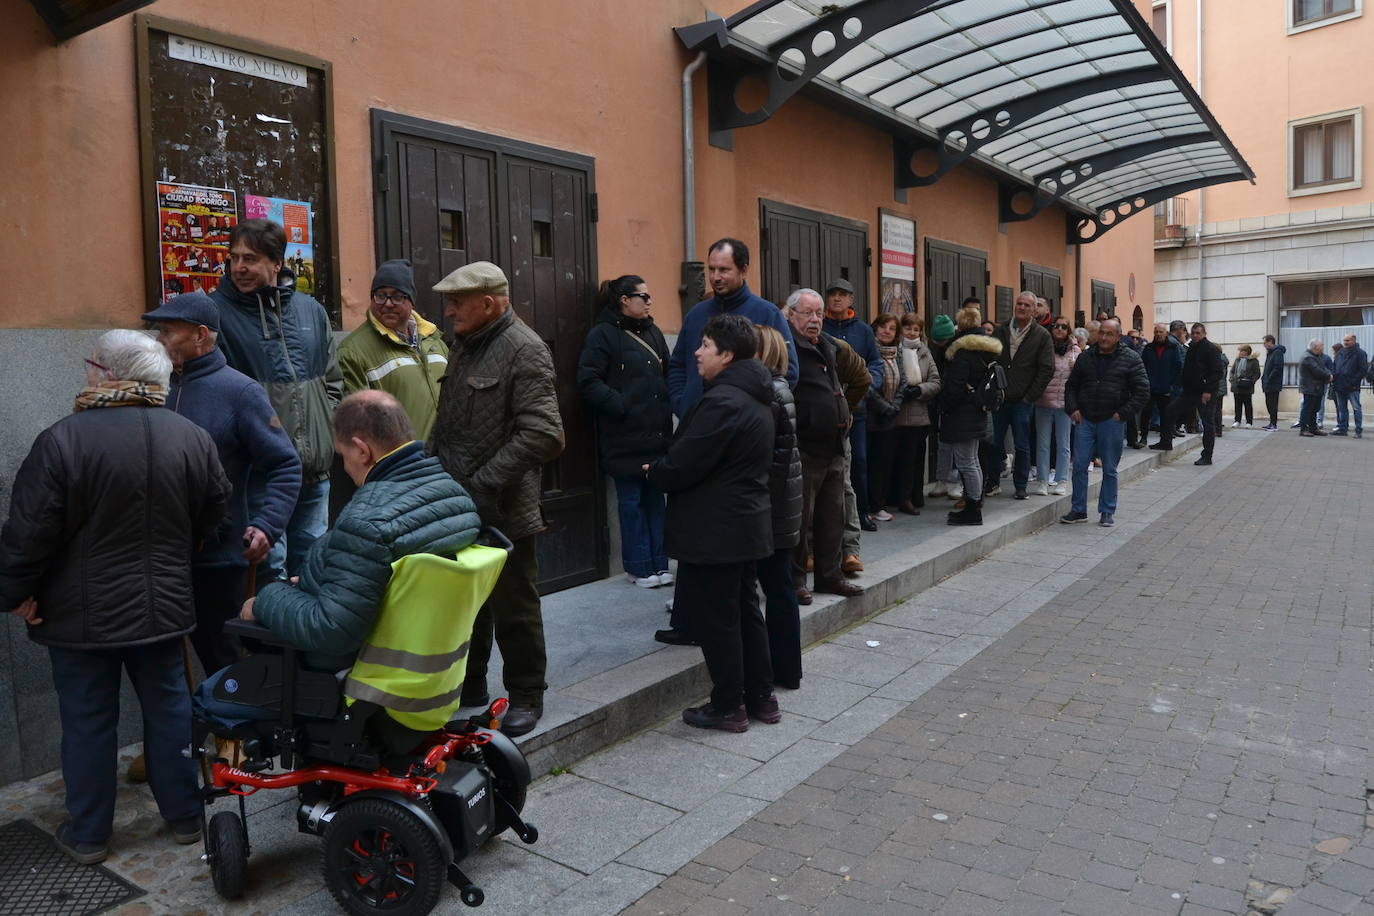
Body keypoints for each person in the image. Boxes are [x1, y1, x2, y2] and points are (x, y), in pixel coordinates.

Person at [0, 331, 229, 865]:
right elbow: (215, 510)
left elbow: (28, 534)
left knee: (87, 720)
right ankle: (184, 815)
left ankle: (88, 834)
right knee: (170, 708)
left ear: (108, 374)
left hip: (79, 616)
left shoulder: (62, 441)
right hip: (163, 606)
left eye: (90, 363)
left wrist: (16, 594)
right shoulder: (190, 436)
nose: (86, 372)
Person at [240, 392, 480, 670]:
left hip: (347, 669)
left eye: (342, 455)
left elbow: (331, 630)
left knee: (213, 695)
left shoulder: (365, 522)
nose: (343, 465)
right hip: (425, 663)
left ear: (362, 451)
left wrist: (265, 600)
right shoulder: (457, 499)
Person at [428, 261, 565, 737]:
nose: (447, 312)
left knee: (514, 606)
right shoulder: (466, 344)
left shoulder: (524, 349)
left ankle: (527, 695)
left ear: (488, 304)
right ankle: (470, 685)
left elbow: (545, 433)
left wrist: (484, 481)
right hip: (458, 502)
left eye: (456, 303)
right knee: (467, 602)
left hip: (504, 507)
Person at [142, 292, 302, 678]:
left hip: (219, 557)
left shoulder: (241, 392)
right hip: (158, 556)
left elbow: (285, 464)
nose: (158, 341)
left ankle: (237, 737)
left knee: (225, 660)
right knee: (165, 666)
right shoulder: (151, 387)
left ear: (200, 336)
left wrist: (266, 526)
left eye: (168, 331)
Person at [646, 314, 778, 733]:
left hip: (716, 528)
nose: (696, 353)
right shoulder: (752, 393)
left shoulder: (724, 400)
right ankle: (761, 697)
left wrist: (657, 471)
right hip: (742, 523)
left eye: (704, 345)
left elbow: (687, 462)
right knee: (743, 612)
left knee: (718, 620)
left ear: (727, 354)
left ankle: (727, 706)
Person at [211, 218, 343, 581]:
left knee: (312, 569)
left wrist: (325, 433)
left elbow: (333, 381)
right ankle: (267, 641)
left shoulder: (310, 312)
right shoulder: (216, 314)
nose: (239, 267)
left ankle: (302, 641)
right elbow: (215, 393)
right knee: (268, 572)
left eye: (250, 259)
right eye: (233, 258)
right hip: (259, 476)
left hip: (315, 474)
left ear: (276, 263)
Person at [577, 274, 672, 588]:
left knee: (656, 502)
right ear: (624, 300)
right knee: (631, 503)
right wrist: (622, 406)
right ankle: (638, 567)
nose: (649, 302)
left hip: (656, 435)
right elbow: (588, 381)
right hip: (624, 436)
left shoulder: (655, 333)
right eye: (643, 296)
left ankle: (660, 564)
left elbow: (670, 375)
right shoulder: (602, 335)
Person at [785, 289, 865, 604]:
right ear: (790, 314)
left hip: (834, 445)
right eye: (807, 313)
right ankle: (795, 581)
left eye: (818, 314)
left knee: (833, 516)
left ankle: (830, 576)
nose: (815, 320)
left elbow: (859, 378)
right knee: (800, 519)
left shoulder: (828, 346)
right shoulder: (787, 347)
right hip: (803, 447)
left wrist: (845, 413)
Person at [667, 237, 796, 418]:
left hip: (744, 427)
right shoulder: (696, 314)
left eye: (724, 270)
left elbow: (788, 371)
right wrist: (682, 403)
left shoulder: (768, 313)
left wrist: (754, 411)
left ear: (744, 270)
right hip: (696, 422)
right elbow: (678, 366)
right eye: (711, 269)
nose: (715, 277)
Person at [338, 259, 448, 441]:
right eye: (380, 295)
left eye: (397, 296)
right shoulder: (353, 351)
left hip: (444, 459)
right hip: (402, 464)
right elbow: (358, 425)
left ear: (411, 300)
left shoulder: (434, 341)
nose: (388, 303)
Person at [1060, 319, 1149, 527]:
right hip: (1086, 419)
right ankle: (1078, 509)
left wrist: (1122, 414)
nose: (1103, 338)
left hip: (1112, 420)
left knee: (1109, 468)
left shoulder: (1131, 358)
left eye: (1109, 334)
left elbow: (1142, 391)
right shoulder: (1086, 357)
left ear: (1118, 337)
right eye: (1101, 333)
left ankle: (1107, 510)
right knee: (1080, 465)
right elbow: (1071, 386)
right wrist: (1072, 409)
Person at [754, 325, 804, 690]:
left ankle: (781, 669)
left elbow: (773, 462)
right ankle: (788, 670)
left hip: (773, 510)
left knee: (777, 588)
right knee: (780, 587)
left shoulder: (770, 392)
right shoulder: (779, 389)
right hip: (783, 507)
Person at [822, 279, 882, 532]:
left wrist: (868, 387)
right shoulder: (819, 326)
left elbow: (876, 363)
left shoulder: (863, 330)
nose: (836, 298)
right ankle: (828, 517)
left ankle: (862, 512)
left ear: (851, 300)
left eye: (842, 295)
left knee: (858, 459)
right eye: (832, 294)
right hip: (824, 409)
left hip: (856, 408)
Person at [941, 307, 1003, 526]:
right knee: (973, 460)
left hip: (963, 413)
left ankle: (973, 509)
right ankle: (974, 505)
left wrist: (943, 404)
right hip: (977, 410)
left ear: (961, 326)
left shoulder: (963, 352)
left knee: (967, 462)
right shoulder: (987, 352)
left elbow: (955, 388)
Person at [991, 291, 1054, 500]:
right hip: (999, 398)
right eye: (1020, 304)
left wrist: (1030, 396)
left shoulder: (1041, 335)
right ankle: (992, 483)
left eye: (1028, 305)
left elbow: (1046, 369)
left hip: (1023, 400)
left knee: (1022, 444)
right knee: (994, 442)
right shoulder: (1001, 330)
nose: (1022, 308)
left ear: (1034, 310)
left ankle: (1020, 486)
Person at [891, 313, 941, 514]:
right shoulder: (894, 349)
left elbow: (936, 381)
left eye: (915, 329)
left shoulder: (924, 352)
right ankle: (896, 497)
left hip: (918, 415)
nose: (911, 332)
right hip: (896, 413)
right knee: (897, 459)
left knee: (915, 459)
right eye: (908, 328)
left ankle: (913, 496)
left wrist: (919, 390)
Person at [1161, 323, 1224, 465]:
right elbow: (1188, 369)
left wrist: (1208, 391)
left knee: (1208, 423)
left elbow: (1216, 372)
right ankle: (1166, 441)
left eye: (1198, 333)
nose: (1195, 335)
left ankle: (1207, 456)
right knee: (1171, 409)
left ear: (1204, 333)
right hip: (1190, 391)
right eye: (1193, 333)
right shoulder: (1192, 348)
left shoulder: (1211, 349)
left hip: (1205, 392)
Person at [1033, 316, 1078, 496]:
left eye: (1064, 327)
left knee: (1063, 444)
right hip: (1043, 401)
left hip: (1064, 404)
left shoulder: (1075, 351)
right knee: (1043, 444)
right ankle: (1043, 481)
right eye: (1056, 326)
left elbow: (1080, 378)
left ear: (1069, 330)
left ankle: (1062, 480)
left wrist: (1076, 367)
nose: (1059, 329)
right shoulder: (1044, 348)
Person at [865, 313, 905, 522]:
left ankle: (880, 504)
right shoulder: (869, 350)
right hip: (871, 416)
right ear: (875, 328)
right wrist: (883, 407)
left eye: (892, 328)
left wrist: (895, 406)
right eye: (883, 326)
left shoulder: (897, 353)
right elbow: (866, 384)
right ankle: (867, 506)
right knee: (868, 463)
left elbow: (904, 381)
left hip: (891, 417)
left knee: (884, 464)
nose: (887, 331)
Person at [926, 314, 959, 498]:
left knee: (957, 446)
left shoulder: (957, 351)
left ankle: (954, 482)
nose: (939, 343)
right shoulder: (936, 350)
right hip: (940, 402)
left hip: (955, 403)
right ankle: (941, 480)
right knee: (943, 443)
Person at [1138, 324, 1179, 451]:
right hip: (1149, 388)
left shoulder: (1173, 348)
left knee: (1166, 415)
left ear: (1166, 333)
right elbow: (1142, 366)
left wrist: (1171, 383)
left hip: (1166, 388)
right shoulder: (1149, 348)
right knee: (1146, 413)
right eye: (1156, 332)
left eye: (1161, 332)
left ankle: (1165, 441)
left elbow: (1177, 367)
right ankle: (1143, 438)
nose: (1158, 334)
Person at [1331, 333, 1368, 437]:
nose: (1345, 343)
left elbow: (1362, 370)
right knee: (1342, 409)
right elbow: (1334, 366)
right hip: (1339, 385)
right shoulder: (1340, 353)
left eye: (1347, 340)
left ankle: (1358, 430)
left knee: (1356, 408)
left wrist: (1353, 382)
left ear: (1354, 341)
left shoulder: (1361, 353)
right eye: (1344, 341)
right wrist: (1334, 378)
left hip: (1353, 387)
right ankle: (1343, 429)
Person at [1298, 339, 1333, 437]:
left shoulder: (1315, 356)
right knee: (1308, 409)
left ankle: (1313, 428)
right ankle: (1303, 429)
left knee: (1314, 409)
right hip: (1310, 387)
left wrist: (1329, 374)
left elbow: (1323, 368)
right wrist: (1328, 376)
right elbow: (1317, 370)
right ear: (1315, 347)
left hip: (1316, 387)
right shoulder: (1308, 357)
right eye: (1321, 345)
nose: (1323, 347)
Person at [1229, 345, 1261, 428]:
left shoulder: (1253, 361)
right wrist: (1232, 379)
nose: (1240, 353)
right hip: (1237, 385)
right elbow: (1232, 371)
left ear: (1247, 352)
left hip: (1247, 386)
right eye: (1240, 351)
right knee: (1237, 404)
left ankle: (1249, 422)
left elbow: (1257, 373)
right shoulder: (1237, 360)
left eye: (1242, 351)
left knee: (1248, 404)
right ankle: (1237, 420)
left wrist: (1251, 382)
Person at [1261, 334, 1286, 430]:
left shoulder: (1277, 352)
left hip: (1273, 383)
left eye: (1265, 343)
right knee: (1269, 404)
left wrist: (1269, 378)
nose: (1264, 345)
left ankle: (1274, 424)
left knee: (1272, 404)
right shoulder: (1270, 352)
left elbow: (1277, 367)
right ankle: (1271, 422)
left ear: (1270, 342)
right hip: (1268, 383)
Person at [1212, 347, 1230, 439]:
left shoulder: (1218, 360)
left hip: (1217, 386)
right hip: (1221, 386)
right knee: (1218, 409)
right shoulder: (1223, 359)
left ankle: (1217, 430)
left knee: (1216, 409)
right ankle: (1218, 430)